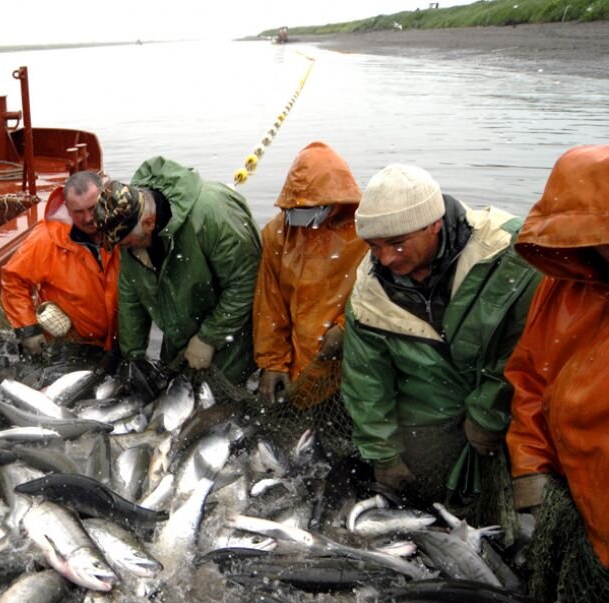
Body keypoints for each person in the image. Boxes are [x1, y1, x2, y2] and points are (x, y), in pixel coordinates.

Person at [340, 164, 540, 504]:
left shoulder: (512, 256)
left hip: (517, 413)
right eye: (373, 246)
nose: (385, 258)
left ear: (433, 225)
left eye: (397, 243)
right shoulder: (367, 297)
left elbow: (531, 347)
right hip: (429, 420)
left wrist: (490, 411)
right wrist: (384, 455)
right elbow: (366, 383)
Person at [503, 145, 609, 603]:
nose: (596, 251)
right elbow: (530, 376)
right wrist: (529, 466)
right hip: (574, 499)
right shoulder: (565, 281)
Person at [93, 156, 261, 385]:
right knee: (173, 392)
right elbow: (131, 296)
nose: (123, 250)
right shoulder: (127, 230)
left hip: (232, 329)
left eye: (126, 244)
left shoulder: (211, 213)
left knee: (218, 401)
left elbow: (245, 283)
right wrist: (132, 356)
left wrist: (208, 338)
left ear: (149, 223)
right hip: (179, 329)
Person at [252, 142, 368, 405]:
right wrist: (273, 363)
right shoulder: (277, 233)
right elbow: (270, 304)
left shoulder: (368, 233)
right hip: (300, 360)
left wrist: (344, 326)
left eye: (310, 210)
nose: (300, 220)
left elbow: (382, 294)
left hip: (351, 358)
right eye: (295, 211)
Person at [0, 170, 119, 359]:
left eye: (92, 208)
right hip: (71, 344)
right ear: (66, 208)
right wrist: (28, 330)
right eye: (78, 212)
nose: (88, 218)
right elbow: (13, 280)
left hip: (118, 340)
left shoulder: (121, 227)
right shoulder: (45, 239)